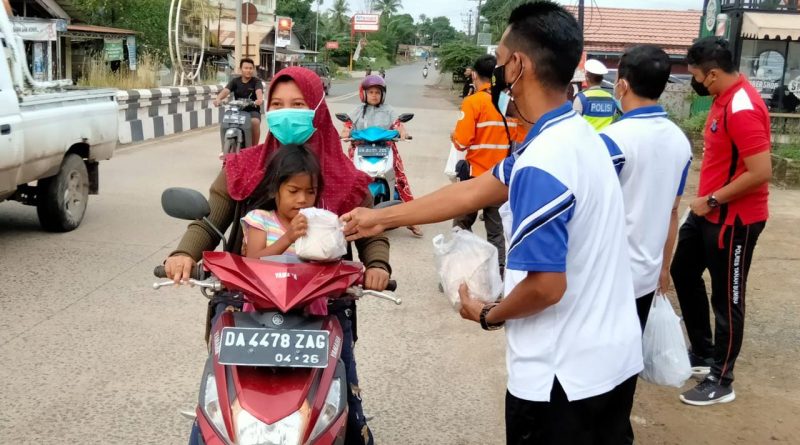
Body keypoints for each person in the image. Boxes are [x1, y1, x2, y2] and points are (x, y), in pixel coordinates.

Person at [342, 3, 643, 443]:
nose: (497, 71)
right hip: (610, 364)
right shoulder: (573, 135)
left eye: (501, 61)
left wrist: (487, 314)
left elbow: (546, 286)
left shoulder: (546, 161)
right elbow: (474, 190)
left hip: (560, 381)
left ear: (518, 65)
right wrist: (381, 217)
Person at [166, 67, 390, 445]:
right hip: (245, 300)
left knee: (349, 406)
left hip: (324, 303)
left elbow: (369, 231)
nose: (287, 114)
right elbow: (210, 222)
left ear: (317, 108)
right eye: (279, 105)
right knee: (217, 405)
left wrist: (378, 265)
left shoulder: (344, 175)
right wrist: (183, 253)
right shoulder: (242, 167)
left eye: (298, 105)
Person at [599, 44, 693, 445]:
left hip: (606, 277)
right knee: (625, 366)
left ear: (622, 84)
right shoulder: (679, 142)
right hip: (643, 275)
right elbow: (672, 211)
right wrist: (663, 267)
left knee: (597, 367)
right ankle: (619, 433)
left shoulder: (613, 140)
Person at [671, 37, 772, 407]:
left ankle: (721, 378)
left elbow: (761, 171)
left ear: (712, 74)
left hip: (735, 219)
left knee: (727, 297)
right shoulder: (721, 99)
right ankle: (703, 350)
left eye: (696, 76)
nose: (695, 82)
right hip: (707, 213)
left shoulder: (742, 107)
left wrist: (712, 199)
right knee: (682, 271)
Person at [451, 54, 523, 277]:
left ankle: (458, 272)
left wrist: (454, 136)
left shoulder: (473, 102)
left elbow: (462, 142)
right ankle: (500, 276)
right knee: (495, 231)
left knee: (460, 226)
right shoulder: (507, 102)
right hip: (500, 178)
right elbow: (518, 137)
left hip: (475, 177)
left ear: (474, 74)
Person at [340, 75, 423, 237]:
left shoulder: (389, 110)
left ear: (383, 94)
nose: (374, 95)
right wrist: (345, 132)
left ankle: (411, 219)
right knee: (348, 179)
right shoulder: (357, 111)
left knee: (400, 180)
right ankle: (343, 215)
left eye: (377, 92)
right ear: (363, 94)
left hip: (385, 148)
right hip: (360, 148)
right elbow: (347, 125)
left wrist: (403, 132)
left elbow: (398, 124)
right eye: (370, 92)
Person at [240, 144, 319, 260]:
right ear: (273, 190)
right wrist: (288, 238)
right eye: (293, 191)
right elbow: (253, 261)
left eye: (311, 192)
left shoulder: (315, 225)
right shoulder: (260, 220)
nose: (303, 199)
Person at [213, 58, 264, 151]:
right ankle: (223, 150)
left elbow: (259, 91)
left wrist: (259, 99)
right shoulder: (235, 81)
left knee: (255, 122)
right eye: (246, 68)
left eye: (250, 68)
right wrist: (218, 99)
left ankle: (253, 149)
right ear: (241, 69)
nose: (248, 70)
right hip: (237, 111)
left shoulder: (256, 81)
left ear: (253, 69)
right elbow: (226, 91)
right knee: (225, 122)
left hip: (252, 111)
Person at [573, 59, 618, 131]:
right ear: (601, 79)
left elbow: (574, 124)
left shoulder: (581, 98)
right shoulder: (611, 99)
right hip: (605, 140)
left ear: (587, 78)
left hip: (587, 140)